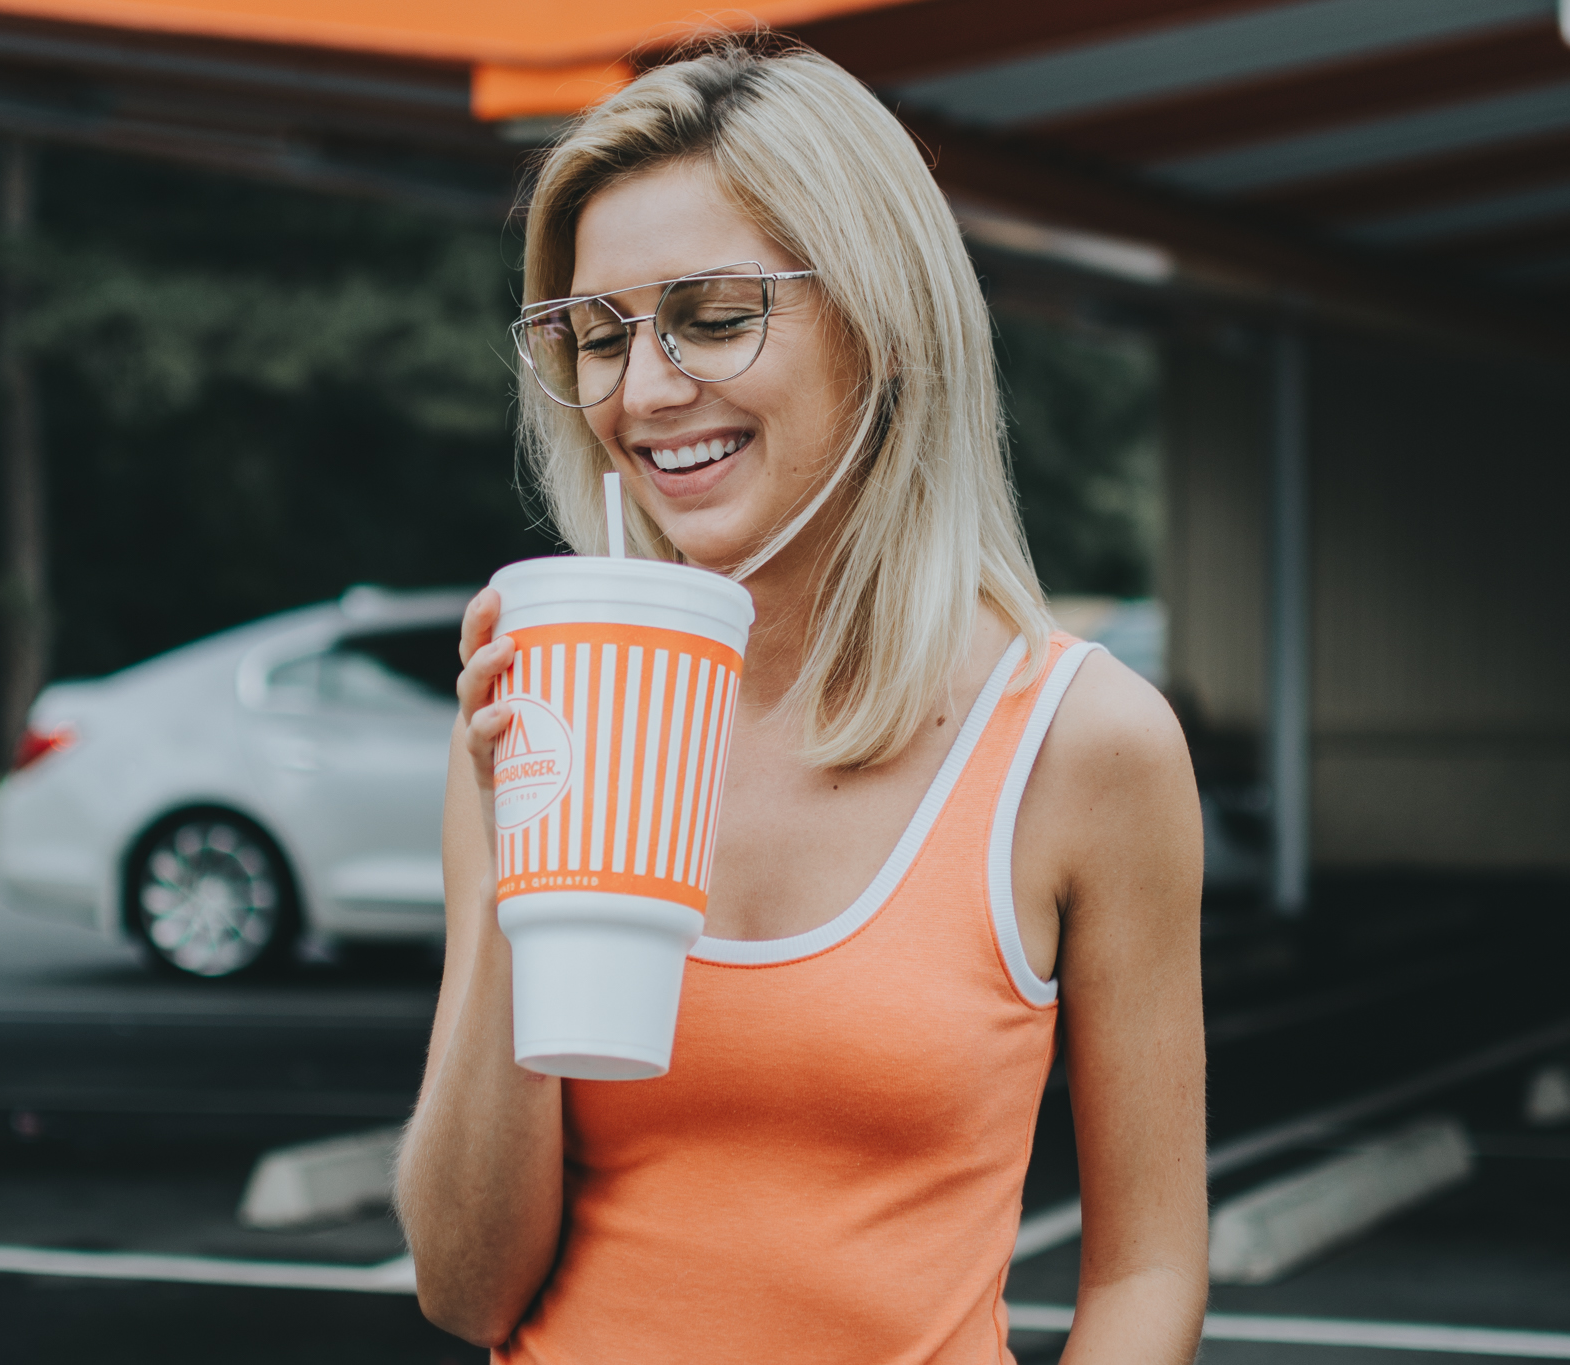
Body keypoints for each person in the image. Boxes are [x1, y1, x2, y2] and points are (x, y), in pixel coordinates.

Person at [397, 41, 1206, 1365]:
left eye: (714, 315)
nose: (645, 393)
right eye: (598, 337)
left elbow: (1150, 1267)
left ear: (880, 321)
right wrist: (512, 874)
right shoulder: (538, 717)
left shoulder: (1080, 742)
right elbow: (465, 1284)